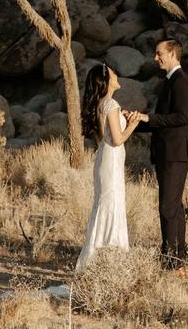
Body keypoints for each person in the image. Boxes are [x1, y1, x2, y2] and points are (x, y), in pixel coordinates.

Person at [128, 40, 188, 275]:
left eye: (159, 54)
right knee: (173, 208)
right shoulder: (168, 82)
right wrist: (134, 122)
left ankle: (172, 262)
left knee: (167, 208)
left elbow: (181, 118)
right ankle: (177, 262)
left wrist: (147, 119)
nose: (155, 58)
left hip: (174, 155)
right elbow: (162, 121)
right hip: (166, 154)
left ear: (173, 54)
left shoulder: (181, 81)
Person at [75, 63, 140, 273]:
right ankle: (111, 263)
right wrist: (132, 124)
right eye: (113, 73)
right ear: (106, 80)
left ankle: (96, 262)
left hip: (104, 158)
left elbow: (105, 137)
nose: (117, 75)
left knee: (103, 206)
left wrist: (122, 120)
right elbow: (118, 139)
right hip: (111, 161)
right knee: (112, 207)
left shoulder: (100, 104)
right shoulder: (111, 104)